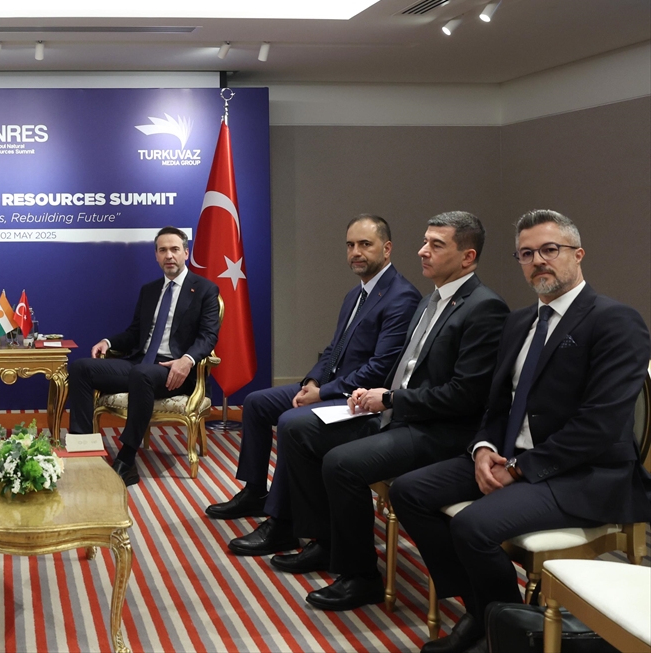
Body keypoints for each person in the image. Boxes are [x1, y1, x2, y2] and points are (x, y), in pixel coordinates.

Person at [391, 210, 651, 653]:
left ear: (578, 254)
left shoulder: (615, 321)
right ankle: (487, 613)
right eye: (526, 254)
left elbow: (600, 425)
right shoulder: (519, 322)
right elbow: (496, 404)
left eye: (550, 250)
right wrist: (483, 448)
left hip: (581, 473)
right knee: (409, 491)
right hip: (511, 456)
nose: (538, 261)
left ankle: (508, 635)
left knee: (472, 527)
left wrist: (517, 469)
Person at [274, 211, 509, 612]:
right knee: (300, 431)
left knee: (341, 464)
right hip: (399, 413)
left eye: (436, 245)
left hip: (439, 430)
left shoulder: (484, 308)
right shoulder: (431, 299)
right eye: (425, 241)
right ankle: (324, 541)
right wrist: (373, 393)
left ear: (467, 257)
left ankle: (361, 576)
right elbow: (405, 367)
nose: (422, 251)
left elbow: (464, 396)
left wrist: (391, 400)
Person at [206, 216, 421, 538]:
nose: (355, 252)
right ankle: (254, 492)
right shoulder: (356, 294)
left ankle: (282, 520)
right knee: (256, 403)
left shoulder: (401, 296)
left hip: (359, 399)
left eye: (365, 244)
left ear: (387, 249)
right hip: (330, 386)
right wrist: (312, 382)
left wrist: (322, 393)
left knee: (292, 421)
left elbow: (380, 368)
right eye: (350, 245)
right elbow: (334, 348)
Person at [65, 226, 221, 486]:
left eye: (174, 249)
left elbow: (208, 337)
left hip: (175, 370)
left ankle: (126, 459)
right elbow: (135, 333)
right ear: (156, 256)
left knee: (141, 374)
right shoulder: (150, 290)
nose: (169, 255)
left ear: (186, 253)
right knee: (81, 367)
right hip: (141, 365)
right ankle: (83, 449)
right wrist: (108, 342)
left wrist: (187, 360)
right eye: (163, 250)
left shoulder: (205, 289)